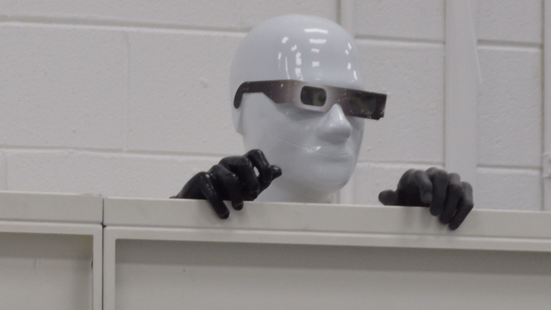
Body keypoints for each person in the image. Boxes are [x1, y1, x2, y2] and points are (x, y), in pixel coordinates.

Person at [176, 15, 475, 229]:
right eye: (310, 97)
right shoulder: (204, 259)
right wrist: (180, 222)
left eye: (357, 103)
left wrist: (419, 231)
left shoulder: (358, 257)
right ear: (239, 108)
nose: (341, 126)